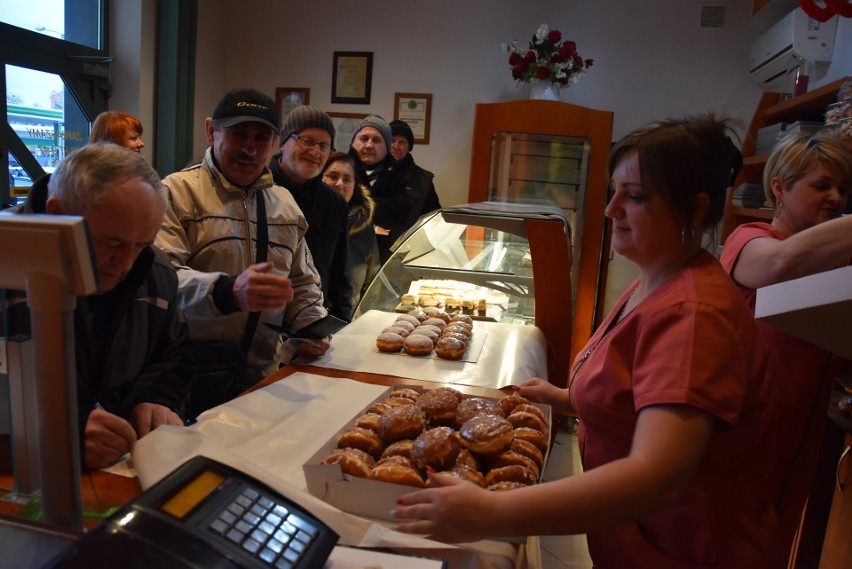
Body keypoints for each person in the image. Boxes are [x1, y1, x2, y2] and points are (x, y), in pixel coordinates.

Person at [393, 114, 787, 568]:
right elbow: (642, 394)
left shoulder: (695, 314)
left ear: (695, 208)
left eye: (635, 196)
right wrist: (564, 398)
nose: (610, 208)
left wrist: (493, 511)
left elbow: (657, 476)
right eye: (614, 190)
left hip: (692, 549)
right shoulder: (659, 281)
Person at [4, 143, 189, 470]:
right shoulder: (8, 267)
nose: (126, 264)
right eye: (113, 243)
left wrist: (155, 400)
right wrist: (57, 435)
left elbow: (170, 358)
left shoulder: (155, 273)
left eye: (141, 245)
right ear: (57, 213)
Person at [719, 130, 852, 550]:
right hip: (746, 428)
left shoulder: (836, 259)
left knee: (772, 543)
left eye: (843, 188)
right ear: (778, 187)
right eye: (821, 185)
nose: (835, 197)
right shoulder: (752, 240)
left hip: (800, 432)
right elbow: (779, 265)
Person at [155, 87, 329, 392]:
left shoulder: (285, 204)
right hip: (183, 378)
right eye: (238, 134)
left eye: (261, 137)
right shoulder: (175, 193)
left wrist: (312, 327)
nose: (249, 149)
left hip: (262, 378)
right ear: (211, 132)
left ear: (275, 143)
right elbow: (161, 281)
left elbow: (302, 282)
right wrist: (227, 292)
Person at [269, 106, 354, 320]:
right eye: (306, 141)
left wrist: (342, 325)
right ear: (283, 141)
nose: (315, 152)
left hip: (315, 320)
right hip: (264, 320)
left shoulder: (334, 202)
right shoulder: (257, 189)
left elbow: (339, 274)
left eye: (323, 146)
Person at [18, 110, 147, 215]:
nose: (141, 144)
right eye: (133, 138)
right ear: (111, 141)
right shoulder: (74, 182)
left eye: (139, 137)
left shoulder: (133, 180)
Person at [348, 114, 410, 265]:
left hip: (381, 262)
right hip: (345, 259)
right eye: (364, 139)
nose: (369, 145)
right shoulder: (340, 171)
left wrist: (358, 203)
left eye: (376, 140)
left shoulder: (396, 179)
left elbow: (400, 214)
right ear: (353, 143)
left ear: (387, 148)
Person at [322, 151, 377, 309]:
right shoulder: (306, 222)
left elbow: (372, 280)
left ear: (355, 186)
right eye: (332, 176)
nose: (340, 184)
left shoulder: (364, 227)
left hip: (348, 321)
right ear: (320, 179)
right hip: (310, 322)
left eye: (347, 179)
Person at [390, 119, 441, 229]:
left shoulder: (424, 179)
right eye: (392, 140)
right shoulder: (372, 174)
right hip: (372, 245)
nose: (396, 146)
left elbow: (434, 219)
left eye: (402, 142)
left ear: (409, 147)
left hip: (408, 244)